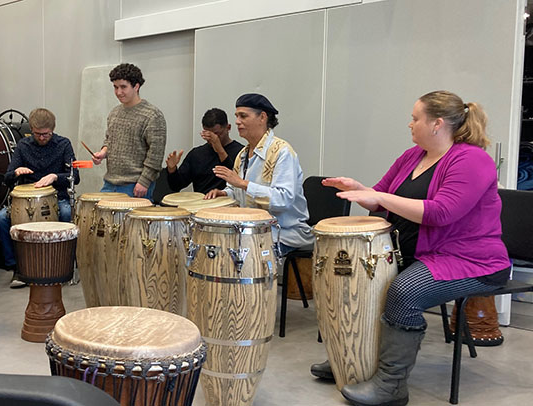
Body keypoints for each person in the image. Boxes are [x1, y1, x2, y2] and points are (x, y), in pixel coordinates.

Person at [318, 90, 511, 406]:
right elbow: (381, 196)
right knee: (370, 282)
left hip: (471, 261)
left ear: (436, 124)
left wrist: (380, 198)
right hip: (422, 254)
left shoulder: (472, 159)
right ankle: (354, 359)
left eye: (415, 118)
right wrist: (361, 190)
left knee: (404, 292)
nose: (409, 124)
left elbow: (441, 212)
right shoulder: (412, 156)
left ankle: (391, 385)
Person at [205, 93, 313, 256]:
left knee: (238, 257)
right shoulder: (242, 154)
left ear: (262, 117)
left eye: (243, 116)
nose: (237, 121)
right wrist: (224, 193)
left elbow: (283, 199)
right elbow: (237, 192)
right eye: (236, 116)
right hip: (253, 231)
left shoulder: (282, 152)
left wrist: (242, 184)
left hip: (284, 233)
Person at [0, 108, 79, 288]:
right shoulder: (24, 146)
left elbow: (75, 176)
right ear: (31, 130)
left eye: (46, 134)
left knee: (65, 213)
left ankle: (64, 264)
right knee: (2, 218)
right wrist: (16, 172)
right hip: (27, 200)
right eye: (37, 134)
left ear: (53, 129)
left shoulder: (63, 144)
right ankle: (17, 266)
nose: (42, 137)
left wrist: (56, 176)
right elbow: (7, 177)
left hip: (56, 197)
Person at [92, 63, 166, 201]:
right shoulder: (114, 113)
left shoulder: (153, 115)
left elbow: (156, 154)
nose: (118, 92)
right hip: (110, 183)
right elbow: (110, 140)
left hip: (135, 185)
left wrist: (144, 181)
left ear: (136, 86)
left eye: (123, 87)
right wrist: (103, 153)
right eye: (115, 87)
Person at [165, 108, 244, 194]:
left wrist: (220, 150)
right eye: (208, 135)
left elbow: (238, 182)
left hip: (229, 203)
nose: (212, 139)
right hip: (201, 204)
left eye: (217, 134)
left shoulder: (241, 152)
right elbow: (176, 186)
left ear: (228, 128)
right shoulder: (196, 154)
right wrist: (172, 169)